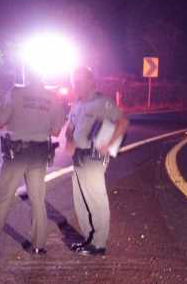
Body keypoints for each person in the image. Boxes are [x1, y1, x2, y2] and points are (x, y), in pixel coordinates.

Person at [0, 63, 65, 255]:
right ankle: (39, 245)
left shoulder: (15, 94)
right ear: (44, 75)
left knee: (5, 196)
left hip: (17, 153)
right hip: (39, 153)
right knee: (38, 199)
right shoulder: (53, 98)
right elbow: (55, 131)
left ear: (25, 75)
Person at [66, 66, 129, 256]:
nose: (74, 86)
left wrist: (109, 144)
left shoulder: (102, 101)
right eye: (72, 82)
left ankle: (99, 242)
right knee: (81, 200)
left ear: (89, 82)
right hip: (78, 157)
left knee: (96, 199)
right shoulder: (76, 104)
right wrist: (69, 141)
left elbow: (123, 121)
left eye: (77, 82)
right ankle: (89, 239)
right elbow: (69, 129)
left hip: (93, 157)